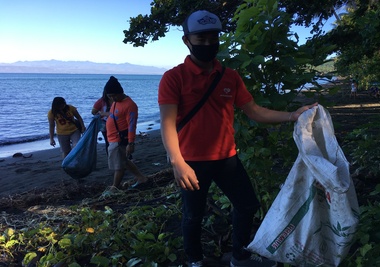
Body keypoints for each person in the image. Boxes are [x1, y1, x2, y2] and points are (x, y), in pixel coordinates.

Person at [158, 10, 318, 267]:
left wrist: (292, 115)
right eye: (201, 38)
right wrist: (177, 162)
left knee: (247, 205)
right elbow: (167, 123)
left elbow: (254, 111)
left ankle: (240, 256)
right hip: (191, 161)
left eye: (213, 37)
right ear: (187, 41)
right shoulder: (173, 78)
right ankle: (195, 261)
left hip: (226, 158)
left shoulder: (229, 76)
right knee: (193, 216)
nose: (208, 43)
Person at [104, 76, 147, 190]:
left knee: (119, 166)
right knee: (124, 161)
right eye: (110, 96)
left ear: (120, 92)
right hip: (112, 138)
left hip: (119, 139)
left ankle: (114, 187)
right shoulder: (115, 102)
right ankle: (141, 178)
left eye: (114, 95)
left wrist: (131, 143)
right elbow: (115, 116)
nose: (112, 98)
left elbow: (132, 125)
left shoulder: (130, 105)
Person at [92, 87, 113, 155]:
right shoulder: (101, 101)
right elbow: (93, 111)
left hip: (117, 123)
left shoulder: (117, 100)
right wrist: (101, 113)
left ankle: (128, 157)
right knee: (108, 141)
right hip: (105, 123)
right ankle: (110, 157)